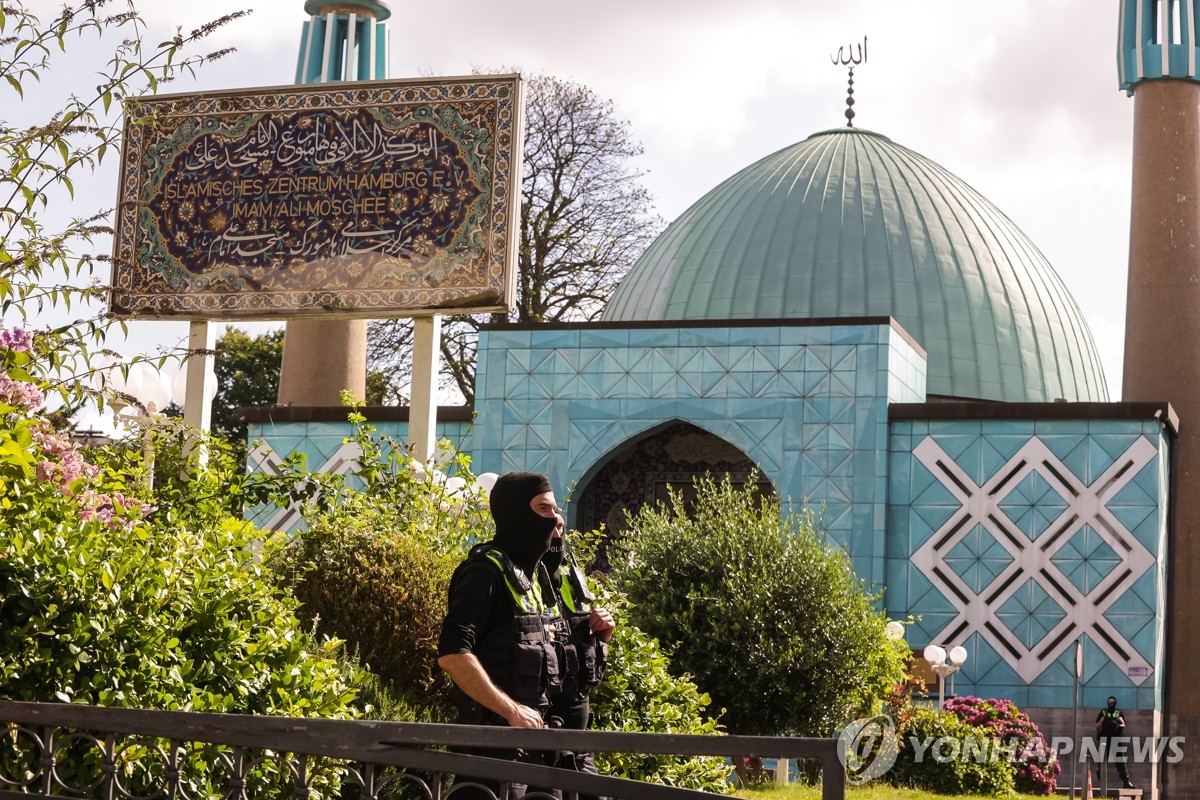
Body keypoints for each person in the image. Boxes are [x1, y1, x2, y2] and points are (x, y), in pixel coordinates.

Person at [437, 471, 564, 799]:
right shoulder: (483, 573)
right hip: (490, 752)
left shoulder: (528, 578)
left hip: (534, 748)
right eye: (544, 509)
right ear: (515, 514)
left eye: (555, 509)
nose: (555, 518)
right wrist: (510, 710)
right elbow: (453, 654)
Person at [540, 513, 615, 798]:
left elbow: (580, 651)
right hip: (541, 727)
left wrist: (603, 634)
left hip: (578, 731)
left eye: (561, 526)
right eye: (550, 525)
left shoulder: (571, 578)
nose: (557, 532)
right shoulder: (517, 574)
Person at [1095, 695, 1135, 789]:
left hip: (1115, 740)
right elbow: (1097, 726)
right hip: (1104, 740)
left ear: (1115, 703)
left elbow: (1123, 724)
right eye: (1110, 702)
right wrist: (1103, 718)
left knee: (1120, 762)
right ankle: (1101, 784)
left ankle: (1126, 782)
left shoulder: (1118, 713)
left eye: (1113, 702)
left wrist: (1119, 723)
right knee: (1101, 761)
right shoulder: (1103, 712)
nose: (1111, 704)